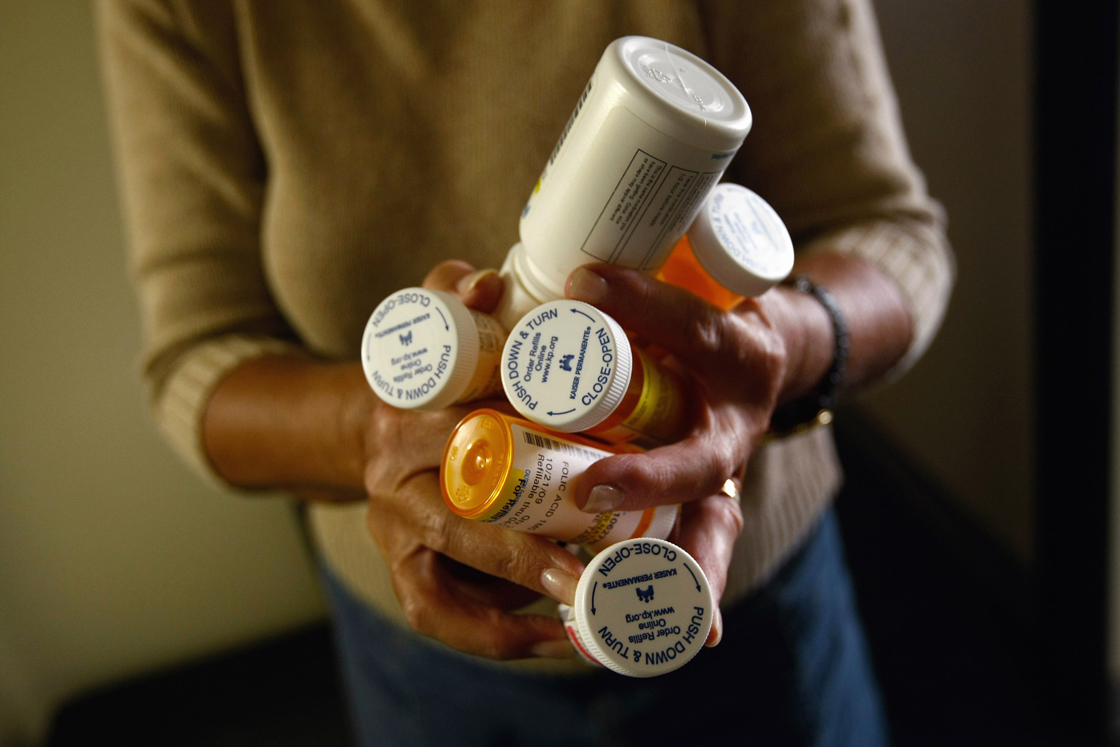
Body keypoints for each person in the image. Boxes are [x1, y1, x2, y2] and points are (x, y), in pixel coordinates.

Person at [97, 1, 954, 744]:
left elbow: (891, 235)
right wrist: (378, 429)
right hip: (427, 660)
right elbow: (197, 363)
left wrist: (780, 345)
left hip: (733, 611)